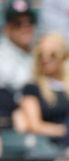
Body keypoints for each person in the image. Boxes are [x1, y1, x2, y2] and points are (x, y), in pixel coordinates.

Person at [15, 33, 69, 141]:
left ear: (64, 56)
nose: (45, 59)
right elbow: (35, 125)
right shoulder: (32, 88)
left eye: (52, 55)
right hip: (48, 145)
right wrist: (66, 130)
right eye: (40, 55)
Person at [0, 0, 37, 130]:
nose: (25, 28)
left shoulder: (41, 51)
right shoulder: (2, 55)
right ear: (7, 28)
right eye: (18, 24)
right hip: (11, 117)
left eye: (30, 22)